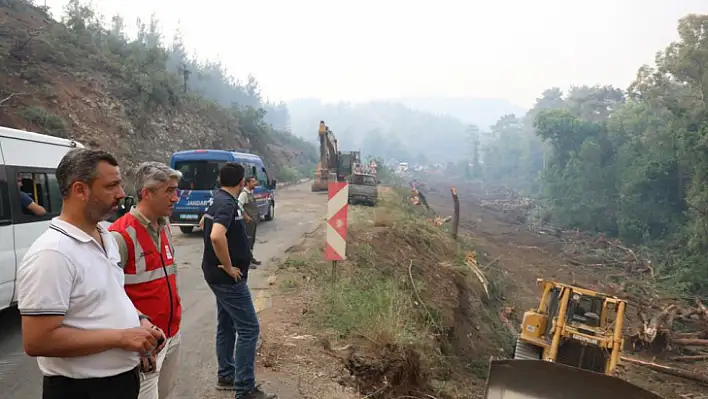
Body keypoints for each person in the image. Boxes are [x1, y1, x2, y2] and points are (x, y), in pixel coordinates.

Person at [16, 148, 165, 399]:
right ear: (80, 190)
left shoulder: (104, 236)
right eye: (111, 186)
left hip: (120, 382)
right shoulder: (53, 253)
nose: (121, 194)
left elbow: (109, 295)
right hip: (83, 390)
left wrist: (139, 321)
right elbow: (37, 341)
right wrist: (122, 337)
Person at [201, 162, 276, 399]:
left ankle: (227, 374)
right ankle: (244, 388)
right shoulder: (226, 203)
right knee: (249, 329)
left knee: (226, 323)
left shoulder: (218, 199)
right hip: (227, 278)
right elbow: (215, 235)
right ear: (241, 181)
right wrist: (229, 265)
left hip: (215, 274)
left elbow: (204, 222)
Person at [109, 162, 183, 399]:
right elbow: (109, 297)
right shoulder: (119, 235)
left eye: (175, 190)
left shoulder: (164, 226)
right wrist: (136, 343)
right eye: (169, 191)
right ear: (146, 193)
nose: (175, 198)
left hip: (171, 334)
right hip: (145, 344)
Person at [238, 176, 261, 268]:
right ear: (247, 183)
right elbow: (238, 205)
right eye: (253, 181)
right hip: (247, 222)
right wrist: (245, 216)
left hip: (252, 222)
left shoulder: (250, 193)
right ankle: (246, 261)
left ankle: (250, 258)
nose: (255, 183)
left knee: (251, 241)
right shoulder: (244, 194)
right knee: (247, 241)